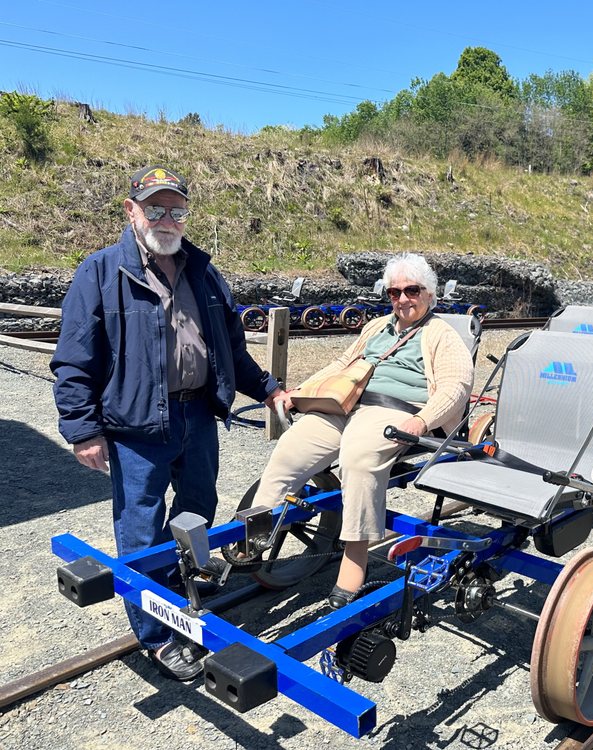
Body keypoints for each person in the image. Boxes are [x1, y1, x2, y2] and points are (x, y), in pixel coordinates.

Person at [51, 165, 287, 681]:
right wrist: (82, 428)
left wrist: (267, 387)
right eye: (154, 208)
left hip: (197, 415)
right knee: (140, 530)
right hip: (135, 428)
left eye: (176, 210)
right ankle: (157, 638)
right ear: (131, 211)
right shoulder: (99, 272)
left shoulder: (203, 273)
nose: (166, 219)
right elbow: (73, 361)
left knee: (199, 508)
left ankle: (183, 587)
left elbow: (229, 351)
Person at [258, 253, 474, 608]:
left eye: (412, 290)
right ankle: (256, 531)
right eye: (394, 292)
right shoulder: (377, 327)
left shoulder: (442, 335)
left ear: (430, 294)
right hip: (347, 404)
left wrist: (421, 421)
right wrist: (301, 392)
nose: (403, 298)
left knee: (358, 458)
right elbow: (341, 364)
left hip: (395, 411)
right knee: (291, 446)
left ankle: (355, 556)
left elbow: (456, 388)